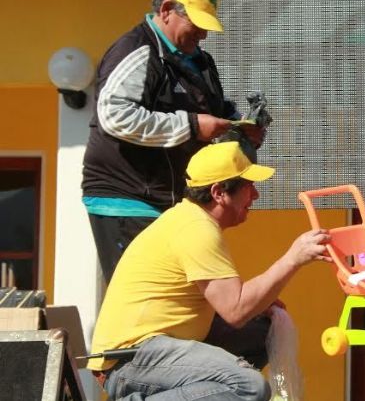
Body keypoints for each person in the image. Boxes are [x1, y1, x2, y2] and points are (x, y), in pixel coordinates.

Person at [87, 141, 330, 400]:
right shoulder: (196, 229)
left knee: (261, 331)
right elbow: (235, 310)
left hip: (147, 354)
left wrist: (262, 302)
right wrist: (293, 258)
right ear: (219, 193)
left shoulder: (191, 220)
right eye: (249, 187)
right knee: (247, 387)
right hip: (130, 361)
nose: (256, 196)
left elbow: (231, 304)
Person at [82, 0, 263, 283]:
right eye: (196, 23)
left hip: (172, 200)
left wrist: (239, 128)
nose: (202, 35)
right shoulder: (136, 50)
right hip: (127, 199)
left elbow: (213, 113)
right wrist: (193, 126)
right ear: (166, 10)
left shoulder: (200, 62)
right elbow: (115, 115)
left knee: (172, 293)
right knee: (144, 292)